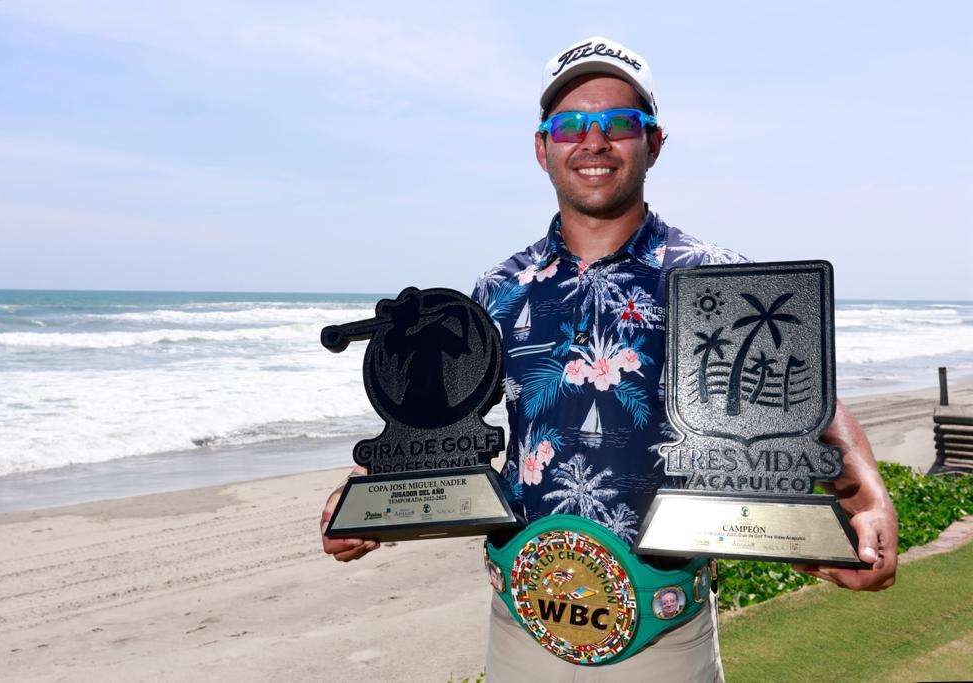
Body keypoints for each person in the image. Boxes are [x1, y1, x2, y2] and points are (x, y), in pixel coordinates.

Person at [320, 36, 898, 681]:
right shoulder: (497, 289)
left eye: (619, 123)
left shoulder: (712, 275)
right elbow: (440, 424)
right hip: (523, 626)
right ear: (543, 147)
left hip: (663, 634)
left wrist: (868, 495)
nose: (592, 141)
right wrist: (376, 497)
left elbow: (804, 398)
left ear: (653, 143)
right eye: (570, 125)